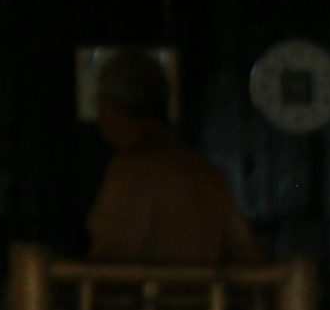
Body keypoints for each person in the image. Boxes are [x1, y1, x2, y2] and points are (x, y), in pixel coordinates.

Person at [87, 49, 261, 270]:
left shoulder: (134, 169)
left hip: (153, 303)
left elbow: (110, 261)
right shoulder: (205, 170)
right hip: (209, 302)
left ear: (110, 104)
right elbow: (247, 254)